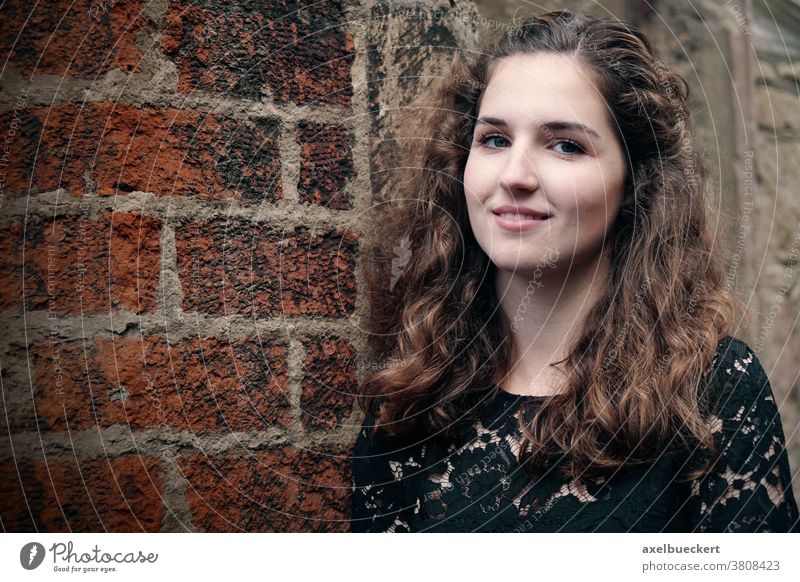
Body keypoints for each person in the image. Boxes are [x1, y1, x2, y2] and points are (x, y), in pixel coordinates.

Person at [350, 10, 799, 533]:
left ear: (635, 182)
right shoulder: (411, 388)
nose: (515, 175)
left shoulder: (716, 392)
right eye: (494, 139)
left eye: (566, 144)